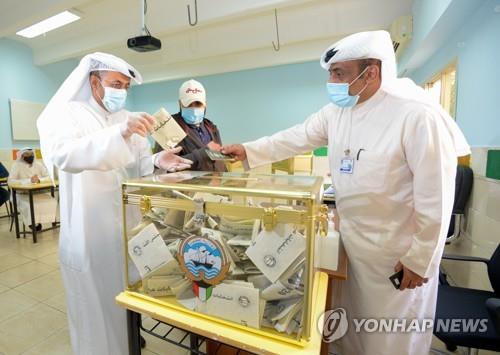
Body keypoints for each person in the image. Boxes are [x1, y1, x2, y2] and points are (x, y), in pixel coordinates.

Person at [221, 31, 470, 355]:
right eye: (330, 74)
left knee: (389, 342)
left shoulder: (415, 114)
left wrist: (420, 259)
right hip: (351, 248)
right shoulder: (337, 112)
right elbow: (295, 137)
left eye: (340, 73)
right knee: (347, 335)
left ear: (372, 72)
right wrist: (248, 150)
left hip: (396, 260)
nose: (332, 82)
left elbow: (435, 196)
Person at [37, 52, 192, 355]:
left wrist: (159, 159)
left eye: (125, 86)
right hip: (88, 230)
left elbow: (136, 166)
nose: (121, 91)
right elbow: (63, 155)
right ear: (94, 82)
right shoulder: (69, 113)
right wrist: (119, 132)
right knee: (93, 311)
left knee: (124, 306)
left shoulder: (124, 118)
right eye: (115, 83)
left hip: (124, 228)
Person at [153, 79, 226, 172]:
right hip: (188, 185)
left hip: (217, 183)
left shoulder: (210, 127)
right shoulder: (168, 127)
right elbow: (163, 168)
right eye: (189, 104)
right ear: (180, 103)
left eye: (198, 104)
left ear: (205, 104)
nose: (194, 108)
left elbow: (220, 160)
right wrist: (204, 154)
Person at [7, 148, 57, 230]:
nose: (30, 156)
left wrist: (39, 180)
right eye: (27, 154)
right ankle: (32, 223)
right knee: (32, 205)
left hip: (36, 193)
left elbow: (49, 177)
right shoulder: (16, 165)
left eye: (31, 154)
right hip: (21, 194)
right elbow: (10, 181)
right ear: (22, 156)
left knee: (51, 201)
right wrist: (28, 181)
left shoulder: (38, 164)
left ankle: (43, 221)